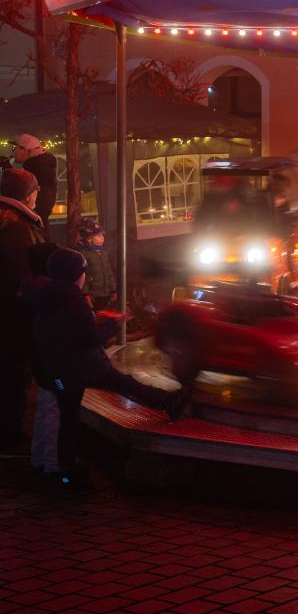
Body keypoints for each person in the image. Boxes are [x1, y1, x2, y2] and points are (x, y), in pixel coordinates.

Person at [31, 248, 182, 489]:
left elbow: (63, 333)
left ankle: (48, 465)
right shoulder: (73, 299)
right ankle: (64, 472)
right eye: (83, 272)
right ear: (75, 274)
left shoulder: (46, 295)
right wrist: (113, 324)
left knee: (75, 410)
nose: (85, 277)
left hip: (60, 370)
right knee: (70, 418)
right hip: (77, 369)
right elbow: (88, 339)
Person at [0, 168, 46, 450]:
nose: (38, 193)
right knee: (14, 375)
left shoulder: (9, 221)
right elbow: (24, 277)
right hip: (12, 318)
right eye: (35, 188)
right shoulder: (18, 229)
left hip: (8, 315)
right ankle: (8, 437)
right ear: (27, 194)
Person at [23, 242, 60, 478]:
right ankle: (54, 465)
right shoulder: (48, 293)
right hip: (53, 366)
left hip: (40, 362)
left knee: (45, 408)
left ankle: (38, 459)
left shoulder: (30, 286)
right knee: (56, 409)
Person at [12, 134, 58, 226]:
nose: (14, 152)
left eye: (15, 148)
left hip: (32, 221)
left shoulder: (36, 170)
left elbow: (23, 195)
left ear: (25, 150)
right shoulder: (40, 166)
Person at [77, 217, 116, 310]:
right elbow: (82, 276)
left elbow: (109, 272)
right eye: (98, 236)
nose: (102, 238)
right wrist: (85, 294)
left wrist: (113, 289)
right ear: (89, 238)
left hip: (106, 293)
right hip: (93, 295)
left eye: (102, 235)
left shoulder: (103, 253)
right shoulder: (83, 254)